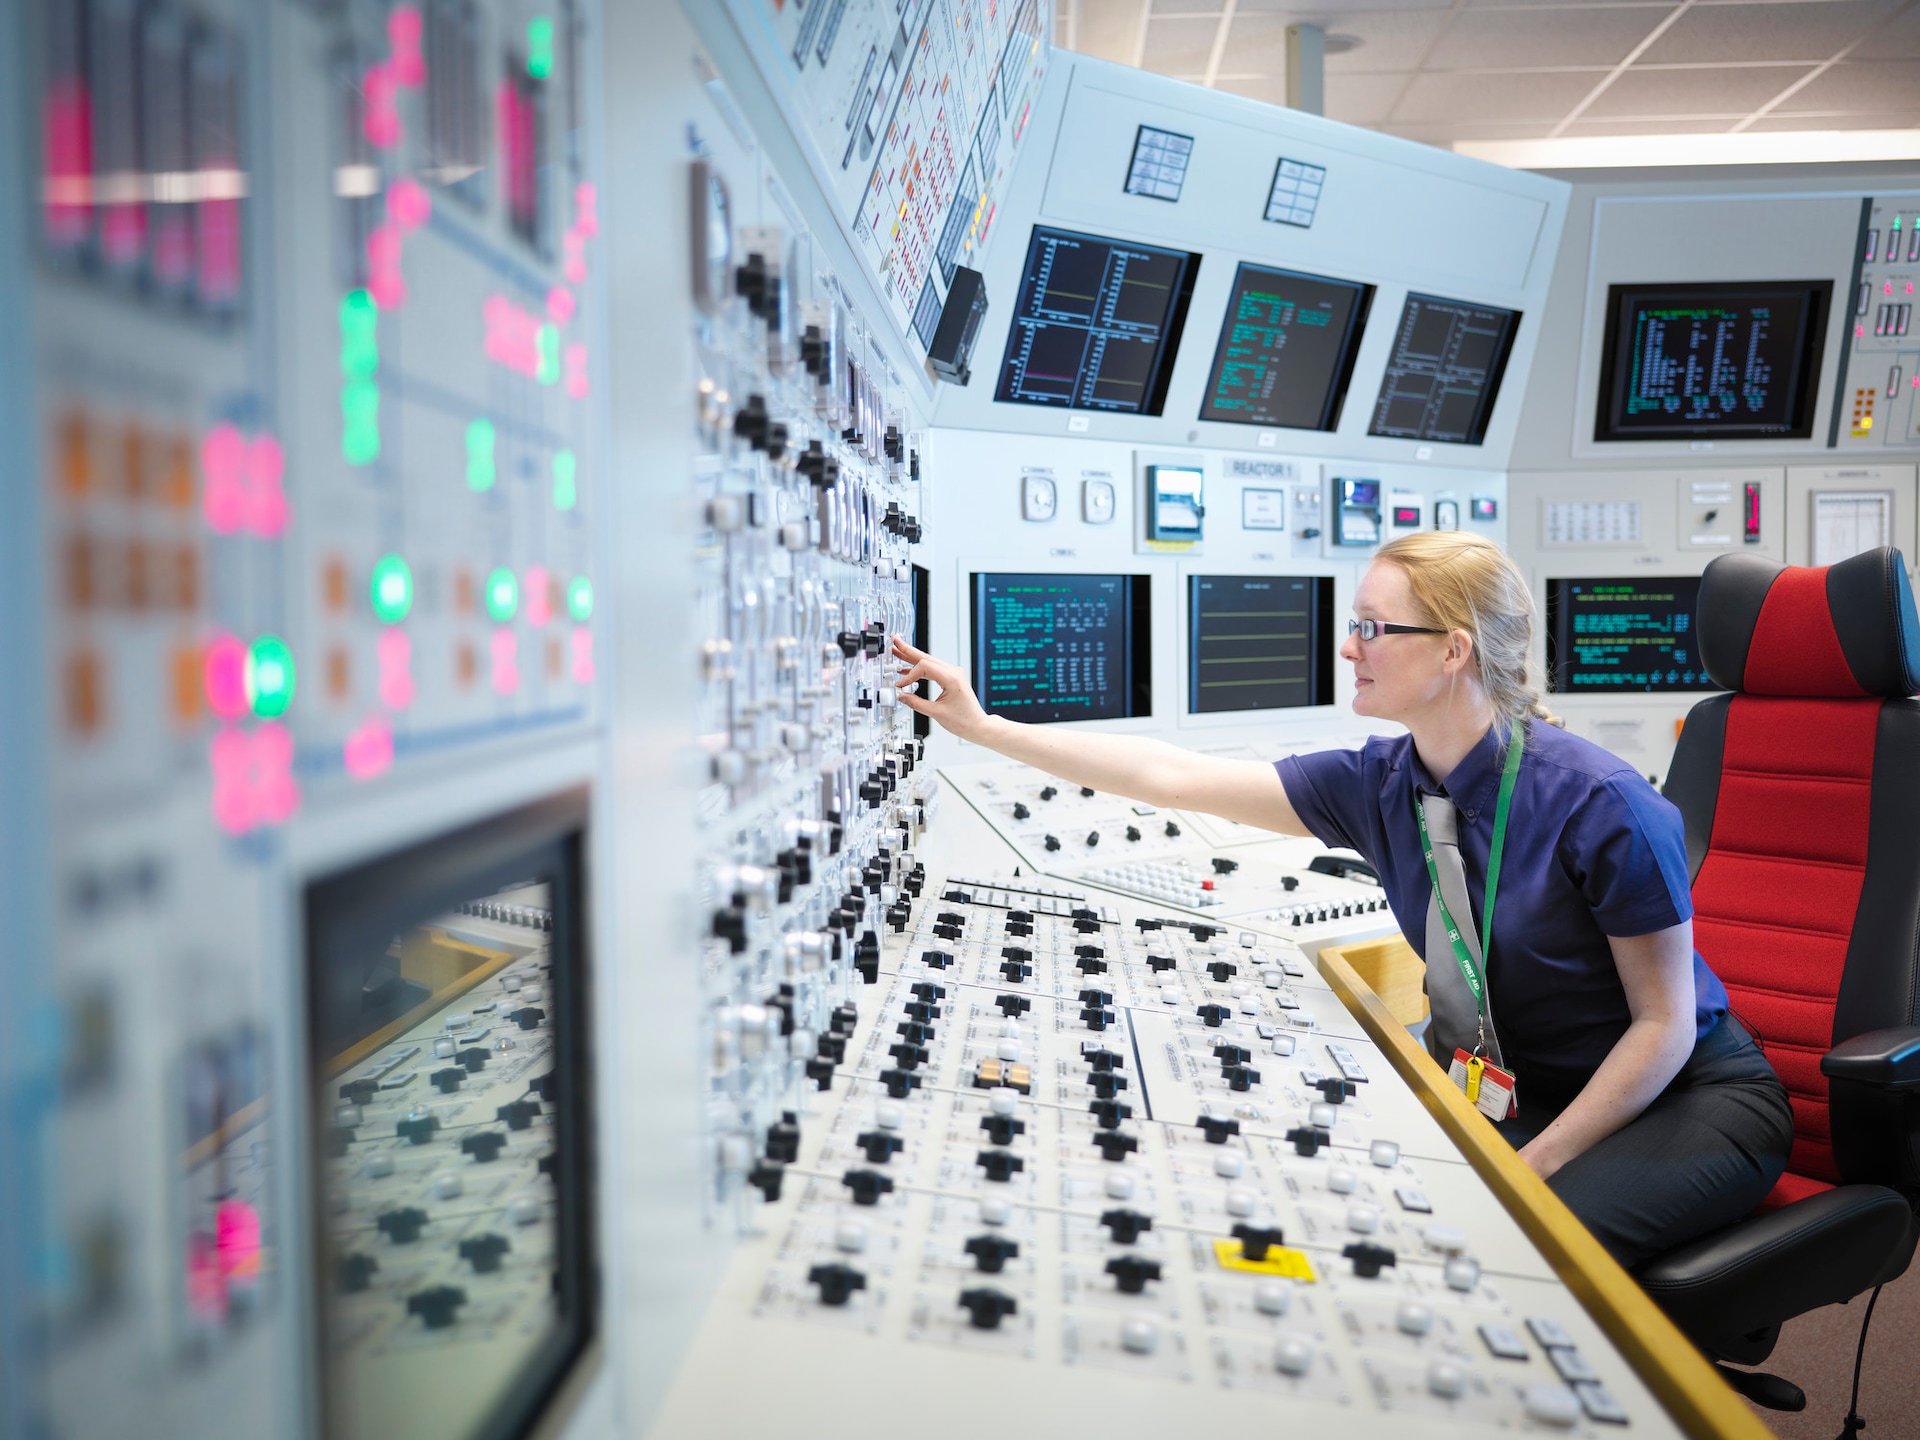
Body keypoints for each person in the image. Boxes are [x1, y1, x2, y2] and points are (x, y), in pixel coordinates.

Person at [890, 531, 1792, 1268]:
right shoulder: (1379, 782)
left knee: (1513, 1251)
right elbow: (1171, 777)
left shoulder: (1604, 805)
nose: (1348, 644)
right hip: (1526, 1091)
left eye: (1372, 626)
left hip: (1686, 1098)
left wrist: (1530, 1166)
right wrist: (986, 727)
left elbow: (1665, 1026)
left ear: (1452, 651)